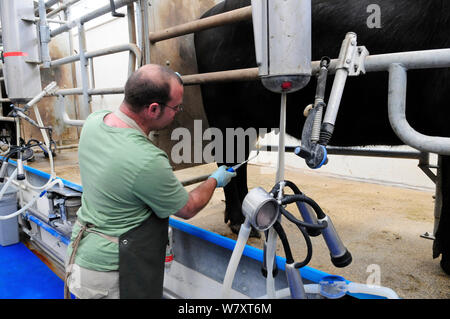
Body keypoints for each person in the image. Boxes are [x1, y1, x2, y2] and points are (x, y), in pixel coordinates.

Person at [64, 64, 236, 299]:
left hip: (82, 256)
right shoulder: (146, 159)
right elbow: (188, 207)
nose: (177, 112)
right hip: (115, 274)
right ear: (153, 109)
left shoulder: (94, 122)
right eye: (176, 107)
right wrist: (215, 180)